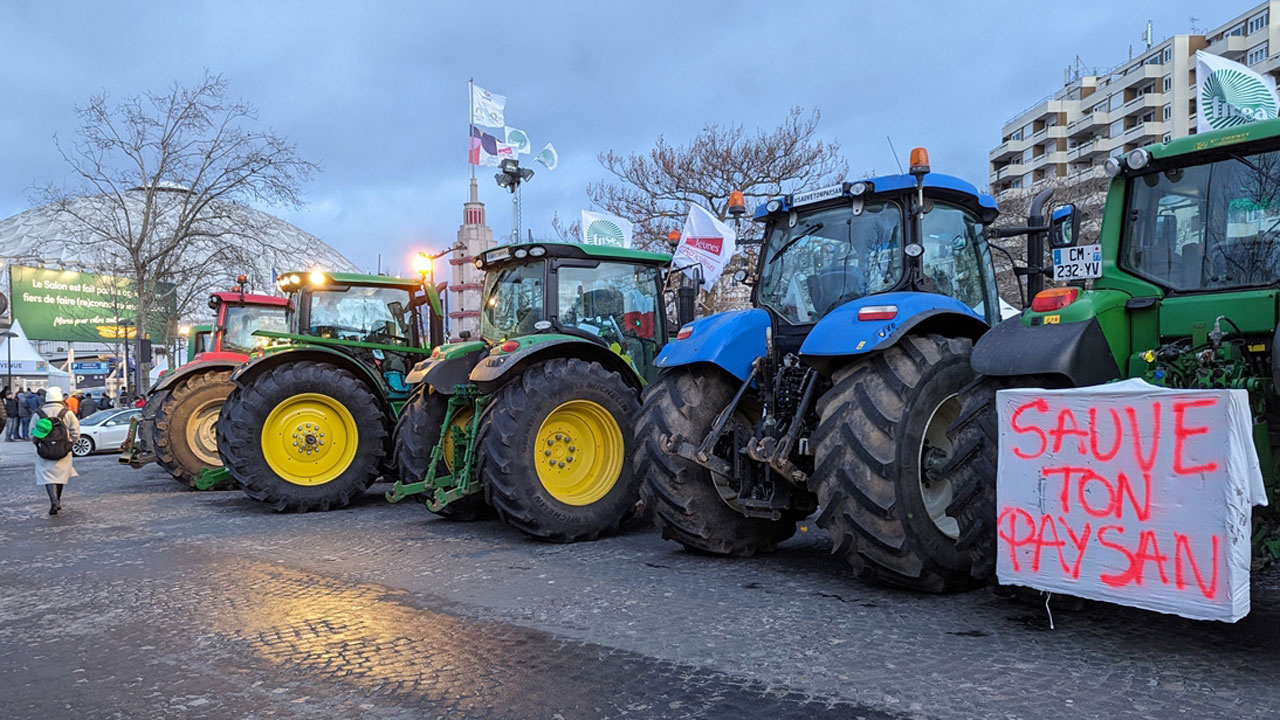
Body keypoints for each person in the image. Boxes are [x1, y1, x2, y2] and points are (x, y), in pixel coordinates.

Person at [33, 386, 79, 515]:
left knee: (48, 477)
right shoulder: (66, 413)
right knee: (60, 476)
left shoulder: (39, 413)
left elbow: (32, 432)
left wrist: (38, 444)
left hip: (45, 450)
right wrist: (70, 443)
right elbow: (75, 431)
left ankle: (53, 501)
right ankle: (58, 499)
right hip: (63, 450)